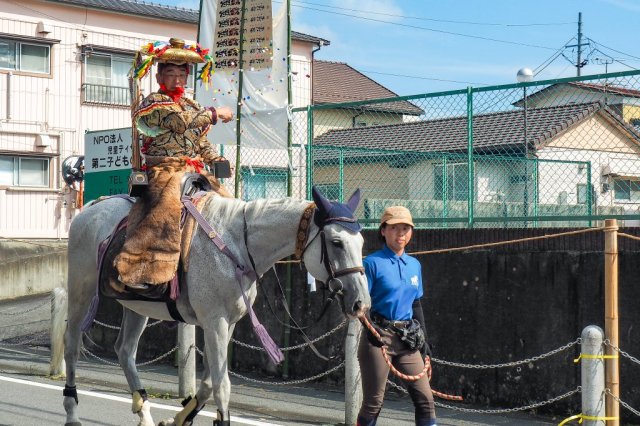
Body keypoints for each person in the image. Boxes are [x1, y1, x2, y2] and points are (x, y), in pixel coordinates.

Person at [114, 38, 234, 287]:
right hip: (165, 170)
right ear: (159, 77)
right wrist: (214, 113)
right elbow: (180, 122)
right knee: (167, 207)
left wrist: (215, 158)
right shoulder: (153, 104)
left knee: (229, 203)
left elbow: (199, 141)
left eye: (182, 74)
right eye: (171, 73)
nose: (178, 79)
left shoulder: (191, 104)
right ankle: (143, 267)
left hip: (194, 169)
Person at [358, 206, 436, 426]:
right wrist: (370, 330)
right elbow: (361, 304)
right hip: (378, 337)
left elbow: (416, 303)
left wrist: (425, 340)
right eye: (394, 228)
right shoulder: (371, 263)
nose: (401, 233)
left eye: (405, 228)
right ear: (383, 231)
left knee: (425, 399)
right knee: (374, 401)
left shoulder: (414, 265)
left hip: (406, 338)